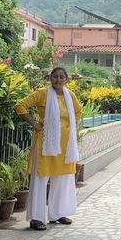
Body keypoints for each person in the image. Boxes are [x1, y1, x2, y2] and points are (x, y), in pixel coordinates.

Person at [15, 67, 81, 230]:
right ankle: (36, 218)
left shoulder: (70, 95)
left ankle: (57, 214)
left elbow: (78, 112)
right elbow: (20, 106)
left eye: (61, 77)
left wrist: (69, 127)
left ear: (66, 80)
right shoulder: (42, 93)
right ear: (50, 78)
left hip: (65, 146)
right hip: (46, 143)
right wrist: (35, 124)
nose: (58, 80)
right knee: (41, 178)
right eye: (55, 76)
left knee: (62, 178)